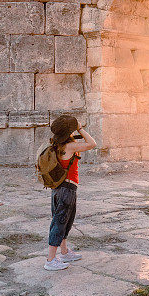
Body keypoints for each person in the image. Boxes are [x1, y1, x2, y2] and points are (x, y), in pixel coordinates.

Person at [44, 115, 97, 271]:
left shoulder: (56, 145)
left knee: (64, 222)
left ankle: (64, 252)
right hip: (67, 190)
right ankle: (50, 260)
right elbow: (92, 144)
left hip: (58, 189)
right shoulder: (69, 147)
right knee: (59, 223)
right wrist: (80, 128)